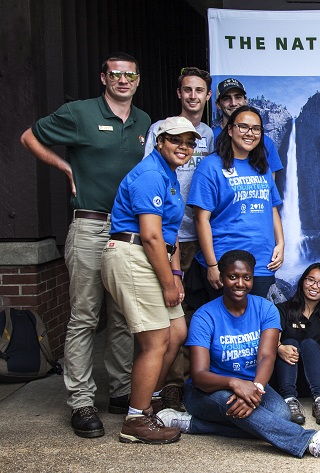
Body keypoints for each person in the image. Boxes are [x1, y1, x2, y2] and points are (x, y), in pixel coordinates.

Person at [19, 52, 146, 438]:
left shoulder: (143, 122)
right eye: (116, 75)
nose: (123, 81)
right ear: (103, 78)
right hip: (90, 226)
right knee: (85, 316)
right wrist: (65, 168)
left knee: (124, 316)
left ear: (137, 80)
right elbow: (29, 137)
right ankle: (81, 401)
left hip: (128, 230)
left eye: (130, 75)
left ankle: (121, 392)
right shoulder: (79, 113)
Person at [156, 250, 320, 459]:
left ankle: (194, 424)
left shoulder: (266, 309)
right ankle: (311, 441)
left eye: (246, 277)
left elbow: (267, 356)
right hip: (208, 391)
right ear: (221, 278)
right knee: (241, 408)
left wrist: (255, 387)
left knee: (281, 416)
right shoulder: (205, 315)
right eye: (233, 277)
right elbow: (200, 374)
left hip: (254, 385)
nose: (240, 283)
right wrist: (234, 384)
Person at [101, 117, 199, 443]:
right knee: (155, 340)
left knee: (177, 331)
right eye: (176, 140)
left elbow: (169, 237)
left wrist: (175, 275)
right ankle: (135, 420)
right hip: (131, 254)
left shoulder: (168, 175)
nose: (183, 147)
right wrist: (169, 284)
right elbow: (151, 237)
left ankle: (151, 397)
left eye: (189, 142)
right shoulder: (150, 174)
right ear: (160, 141)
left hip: (152, 256)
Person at [143, 66, 215, 413]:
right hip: (168, 235)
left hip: (198, 236)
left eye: (199, 90)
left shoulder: (212, 136)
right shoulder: (160, 130)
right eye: (187, 89)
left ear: (207, 96)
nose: (192, 96)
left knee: (193, 313)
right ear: (179, 93)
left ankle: (189, 382)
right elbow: (151, 175)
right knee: (163, 314)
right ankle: (164, 387)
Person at [188, 106, 284, 299]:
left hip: (263, 262)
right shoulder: (211, 166)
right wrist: (212, 265)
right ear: (230, 130)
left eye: (256, 129)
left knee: (259, 324)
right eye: (243, 127)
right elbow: (201, 219)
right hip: (227, 261)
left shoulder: (262, 167)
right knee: (227, 325)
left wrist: (281, 244)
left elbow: (271, 208)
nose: (250, 133)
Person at [273, 263, 320, 425]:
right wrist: (279, 348)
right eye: (310, 280)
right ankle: (289, 401)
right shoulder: (283, 309)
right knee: (289, 342)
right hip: (285, 377)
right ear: (302, 282)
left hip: (316, 380)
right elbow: (270, 338)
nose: (315, 286)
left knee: (309, 344)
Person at [211, 78, 283, 177]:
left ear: (246, 101)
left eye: (238, 97)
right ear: (218, 105)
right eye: (226, 98)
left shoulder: (265, 142)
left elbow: (270, 184)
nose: (233, 103)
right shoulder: (210, 137)